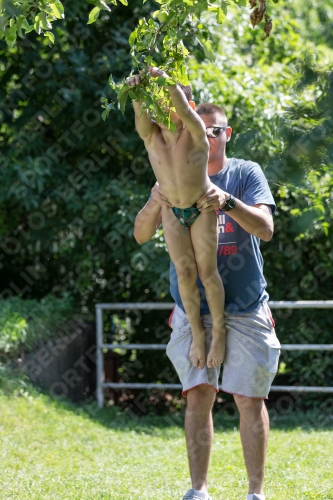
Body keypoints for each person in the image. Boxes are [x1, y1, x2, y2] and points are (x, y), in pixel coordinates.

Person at [134, 102, 281, 500]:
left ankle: (255, 493)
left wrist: (226, 201)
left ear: (227, 134)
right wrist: (155, 200)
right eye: (204, 129)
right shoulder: (174, 172)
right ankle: (198, 491)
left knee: (250, 398)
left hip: (246, 306)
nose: (211, 136)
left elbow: (266, 229)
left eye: (217, 131)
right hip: (191, 311)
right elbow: (141, 234)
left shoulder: (245, 172)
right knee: (198, 395)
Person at [127, 68, 226, 370]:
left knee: (207, 274)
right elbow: (141, 114)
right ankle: (198, 334)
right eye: (156, 103)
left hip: (201, 208)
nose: (161, 108)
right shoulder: (151, 137)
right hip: (172, 210)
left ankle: (219, 332)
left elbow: (182, 108)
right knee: (185, 274)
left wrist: (169, 80)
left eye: (167, 100)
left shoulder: (196, 131)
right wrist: (137, 88)